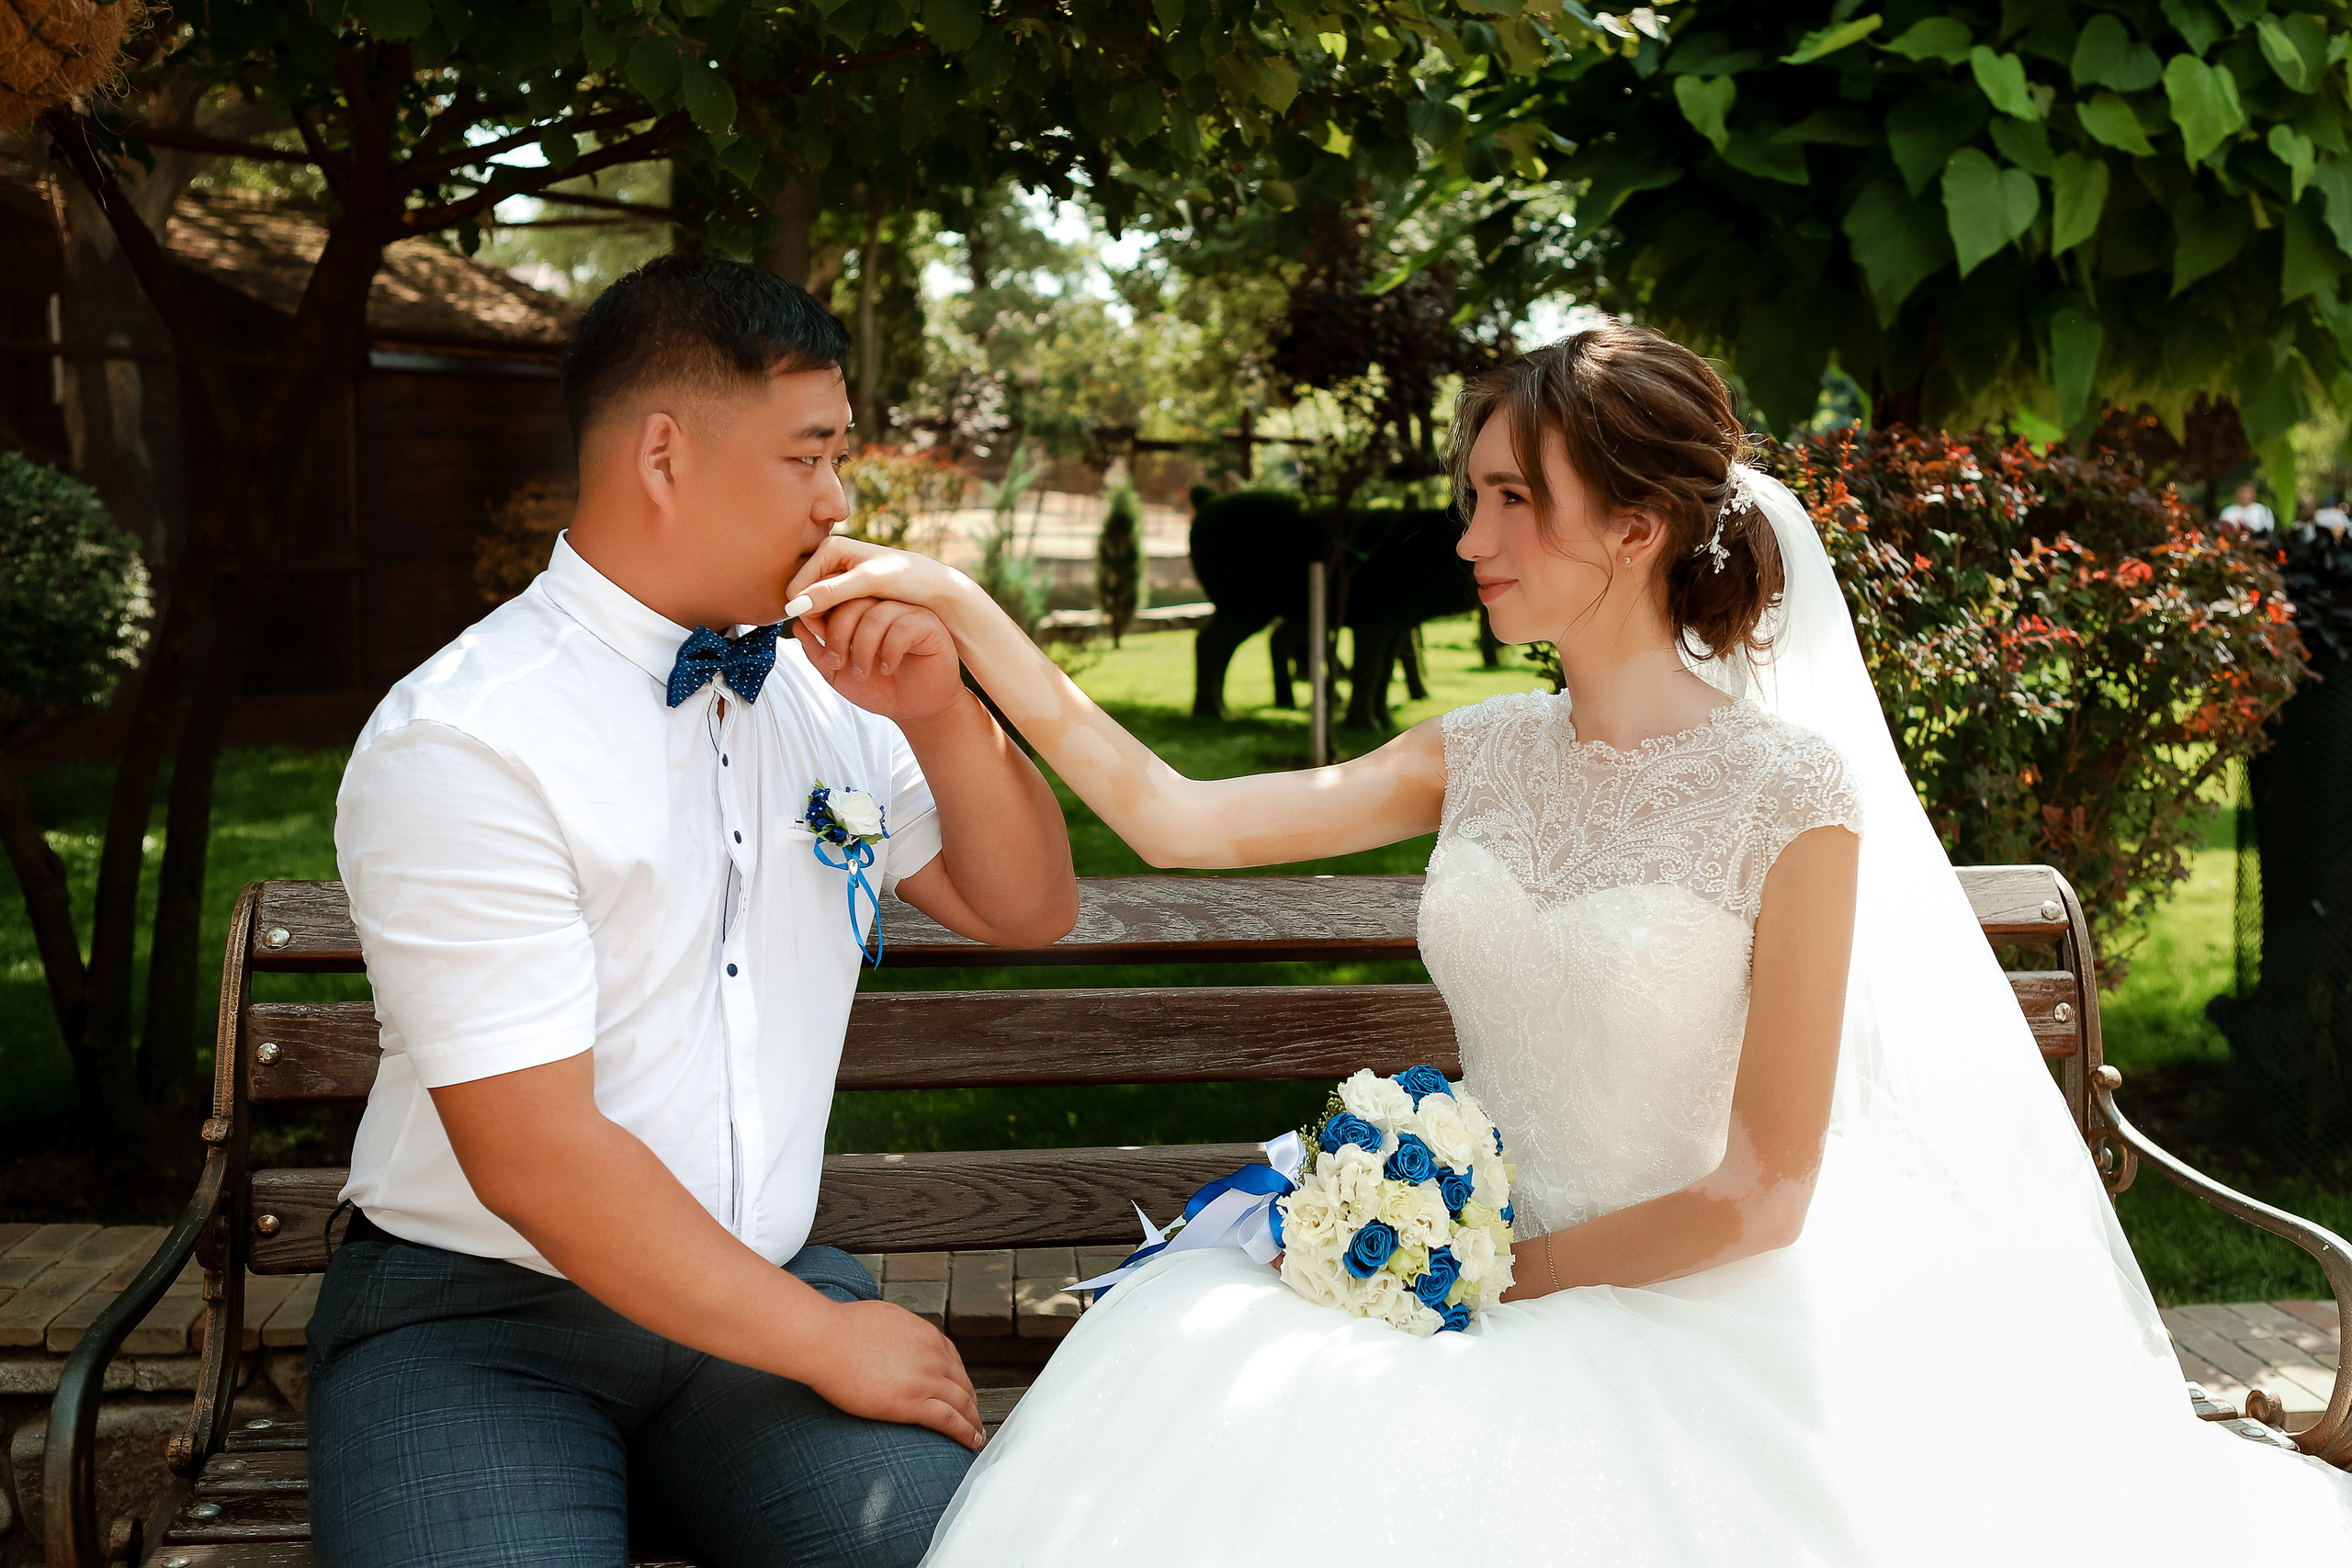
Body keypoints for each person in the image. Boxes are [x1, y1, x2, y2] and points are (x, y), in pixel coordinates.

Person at [786, 325, 2352, 1563]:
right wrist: (963, 611)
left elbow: (1766, 1192)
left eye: (1511, 499)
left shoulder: (1789, 794)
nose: (1469, 534)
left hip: (1683, 1308)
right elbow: (1174, 813)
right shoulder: (1479, 750)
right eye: (1472, 493)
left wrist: (1500, 1282)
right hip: (1452, 1264)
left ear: (1638, 526)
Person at [311, 254, 1079, 1568]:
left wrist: (945, 711)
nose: (839, 501)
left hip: (761, 1295)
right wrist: (829, 1339)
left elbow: (1029, 907)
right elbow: (534, 1153)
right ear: (664, 455)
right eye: (809, 457)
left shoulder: (830, 689)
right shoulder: (467, 737)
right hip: (481, 1318)